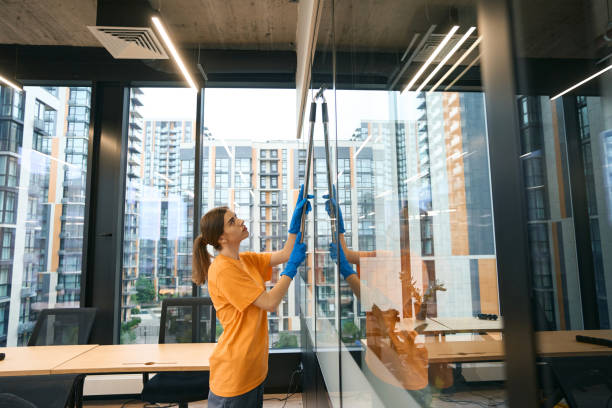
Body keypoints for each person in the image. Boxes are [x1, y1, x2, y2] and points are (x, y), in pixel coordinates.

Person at [192, 185, 313, 407]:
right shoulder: (223, 270)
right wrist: (291, 269)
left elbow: (285, 253)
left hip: (253, 369)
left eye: (236, 217)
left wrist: (296, 224)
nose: (240, 221)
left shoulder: (246, 260)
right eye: (232, 222)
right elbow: (269, 302)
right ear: (221, 238)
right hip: (235, 374)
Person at [324, 188, 433, 408]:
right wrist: (337, 221)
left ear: (412, 230)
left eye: (402, 220)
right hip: (379, 361)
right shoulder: (384, 257)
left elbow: (377, 306)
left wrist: (347, 273)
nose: (395, 222)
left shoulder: (414, 267)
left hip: (404, 370)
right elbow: (344, 254)